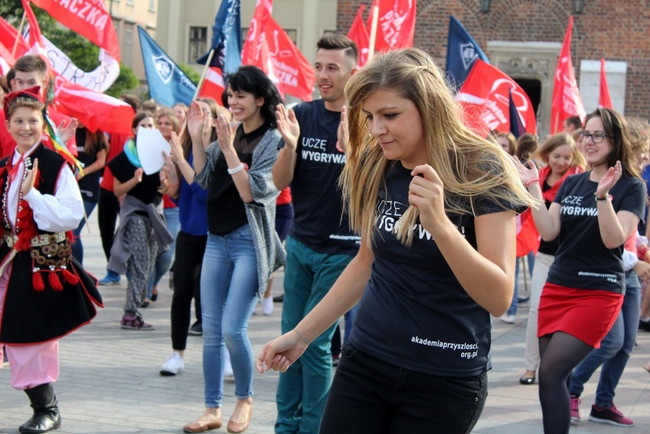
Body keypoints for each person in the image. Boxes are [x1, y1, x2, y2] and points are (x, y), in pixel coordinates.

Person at [257, 47, 532, 434]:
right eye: (370, 116)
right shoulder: (378, 163)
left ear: (429, 107)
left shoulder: (481, 167)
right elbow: (365, 262)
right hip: (366, 361)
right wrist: (303, 334)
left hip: (444, 378)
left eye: (390, 115)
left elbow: (499, 296)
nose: (376, 129)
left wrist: (441, 226)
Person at [513, 108, 646, 434]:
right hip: (558, 287)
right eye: (586, 134)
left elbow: (614, 239)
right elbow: (549, 231)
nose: (589, 141)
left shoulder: (631, 186)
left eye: (598, 135)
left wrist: (603, 197)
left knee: (550, 373)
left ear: (615, 141)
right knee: (558, 376)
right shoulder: (571, 182)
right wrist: (532, 188)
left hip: (598, 291)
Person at [182, 65, 285, 434]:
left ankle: (245, 399)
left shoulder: (274, 140)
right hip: (216, 239)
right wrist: (197, 139)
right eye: (231, 94)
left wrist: (225, 149)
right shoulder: (232, 132)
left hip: (248, 242)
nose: (233, 100)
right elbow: (203, 180)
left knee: (231, 328)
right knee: (210, 330)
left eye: (241, 94)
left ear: (260, 99)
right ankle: (211, 408)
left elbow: (252, 193)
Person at [271, 33, 361, 434]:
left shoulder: (364, 120)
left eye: (332, 68)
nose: (323, 75)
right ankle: (284, 424)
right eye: (319, 66)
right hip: (302, 244)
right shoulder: (300, 116)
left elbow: (371, 186)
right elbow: (278, 181)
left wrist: (353, 148)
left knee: (316, 345)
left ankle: (312, 427)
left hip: (343, 251)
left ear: (352, 72)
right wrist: (290, 146)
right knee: (289, 339)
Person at [0, 87, 102, 433]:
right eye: (18, 121)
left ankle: (47, 409)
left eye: (33, 120)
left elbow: (71, 216)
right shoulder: (5, 166)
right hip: (8, 259)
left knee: (30, 339)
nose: (26, 127)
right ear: (8, 124)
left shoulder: (57, 163)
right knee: (13, 336)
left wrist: (33, 195)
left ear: (43, 123)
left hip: (39, 264)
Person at [567, 116, 650, 427]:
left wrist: (641, 249)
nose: (645, 159)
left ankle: (603, 403)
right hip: (604, 275)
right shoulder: (593, 183)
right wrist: (635, 260)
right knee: (612, 341)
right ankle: (571, 390)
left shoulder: (634, 186)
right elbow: (606, 240)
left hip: (626, 273)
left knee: (626, 343)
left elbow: (629, 233)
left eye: (647, 156)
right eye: (641, 153)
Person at [159, 97, 223, 376]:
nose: (200, 118)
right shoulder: (184, 147)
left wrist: (181, 166)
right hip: (188, 233)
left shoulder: (222, 149)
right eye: (195, 113)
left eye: (205, 113)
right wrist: (168, 178)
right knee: (181, 293)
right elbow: (178, 192)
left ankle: (225, 356)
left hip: (216, 235)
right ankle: (177, 354)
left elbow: (204, 191)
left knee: (213, 299)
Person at [518, 133, 585, 384]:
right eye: (557, 156)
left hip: (571, 258)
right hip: (545, 255)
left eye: (567, 157)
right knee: (536, 312)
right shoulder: (538, 179)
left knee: (566, 318)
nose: (561, 161)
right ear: (548, 154)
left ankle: (559, 368)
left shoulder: (578, 181)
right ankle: (530, 367)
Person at [107, 111, 173, 330]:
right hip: (134, 213)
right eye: (143, 126)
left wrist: (165, 174)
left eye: (151, 125)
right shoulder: (125, 157)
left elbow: (166, 190)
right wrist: (135, 179)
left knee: (149, 263)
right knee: (141, 263)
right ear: (134, 130)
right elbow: (117, 190)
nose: (149, 129)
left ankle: (132, 311)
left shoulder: (160, 153)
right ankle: (130, 313)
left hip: (154, 214)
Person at [97, 94, 141, 286]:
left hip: (127, 190)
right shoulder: (107, 128)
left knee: (125, 232)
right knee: (105, 231)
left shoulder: (134, 135)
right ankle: (113, 270)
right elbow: (102, 150)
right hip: (106, 187)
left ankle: (130, 270)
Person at [142, 108, 181, 307]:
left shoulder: (180, 148)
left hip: (173, 208)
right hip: (153, 205)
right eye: (161, 123)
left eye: (168, 123)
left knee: (166, 255)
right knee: (150, 251)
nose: (164, 126)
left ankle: (154, 282)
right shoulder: (148, 147)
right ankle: (146, 291)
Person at [71, 125, 108, 263]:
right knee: (67, 232)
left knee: (74, 232)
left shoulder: (96, 134)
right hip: (70, 189)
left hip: (88, 190)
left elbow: (101, 162)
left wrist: (82, 172)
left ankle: (78, 271)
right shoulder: (70, 130)